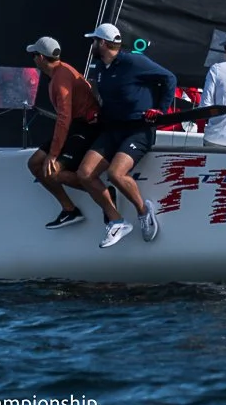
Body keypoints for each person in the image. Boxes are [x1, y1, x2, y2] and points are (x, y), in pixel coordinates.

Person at [75, 23, 178, 248]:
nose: (92, 44)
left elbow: (169, 78)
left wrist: (161, 109)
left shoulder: (133, 61)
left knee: (115, 174)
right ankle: (116, 220)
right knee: (84, 174)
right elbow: (98, 91)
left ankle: (143, 212)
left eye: (94, 41)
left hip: (138, 129)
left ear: (102, 43)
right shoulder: (100, 67)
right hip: (112, 128)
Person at [22, 36, 101, 229]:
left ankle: (104, 192)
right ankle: (69, 210)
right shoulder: (60, 72)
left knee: (52, 171)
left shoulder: (60, 79)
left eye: (34, 55)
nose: (33, 59)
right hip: (74, 125)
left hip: (84, 127)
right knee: (34, 163)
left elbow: (64, 118)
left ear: (40, 57)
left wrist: (54, 154)